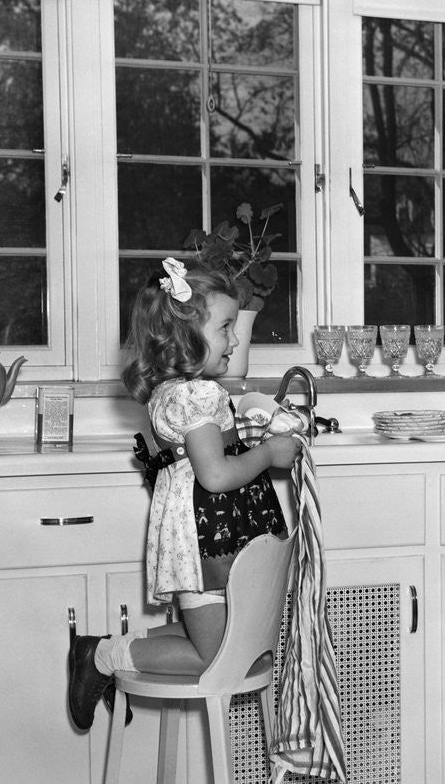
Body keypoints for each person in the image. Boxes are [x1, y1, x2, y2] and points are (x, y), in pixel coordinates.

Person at [66, 258, 300, 732]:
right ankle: (103, 654)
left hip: (205, 533)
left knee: (219, 633)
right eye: (226, 326)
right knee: (217, 654)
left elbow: (205, 458)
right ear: (186, 334)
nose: (235, 339)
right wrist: (270, 452)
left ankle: (111, 647)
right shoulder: (196, 395)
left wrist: (251, 439)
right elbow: (214, 476)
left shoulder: (181, 390)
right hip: (209, 539)